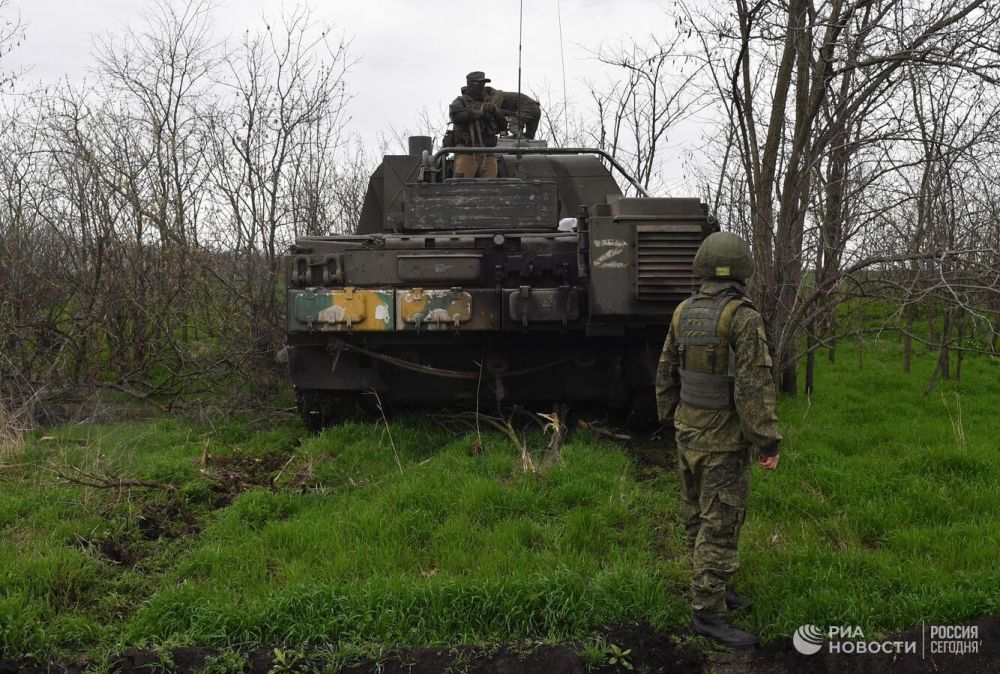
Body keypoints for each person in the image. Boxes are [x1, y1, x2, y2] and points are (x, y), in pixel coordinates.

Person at [655, 231, 782, 650]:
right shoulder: (742, 318)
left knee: (697, 515)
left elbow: (665, 373)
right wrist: (766, 441)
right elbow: (753, 387)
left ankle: (715, 585)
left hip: (688, 432)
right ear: (742, 271)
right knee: (721, 523)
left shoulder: (683, 312)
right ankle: (707, 613)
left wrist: (672, 418)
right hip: (722, 441)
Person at [448, 71, 508, 178]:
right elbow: (454, 115)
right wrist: (473, 114)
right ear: (470, 84)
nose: (481, 86)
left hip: (487, 153)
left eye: (483, 83)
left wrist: (495, 111)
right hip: (466, 151)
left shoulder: (489, 103)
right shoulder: (460, 101)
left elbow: (503, 126)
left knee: (491, 185)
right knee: (463, 185)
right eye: (478, 83)